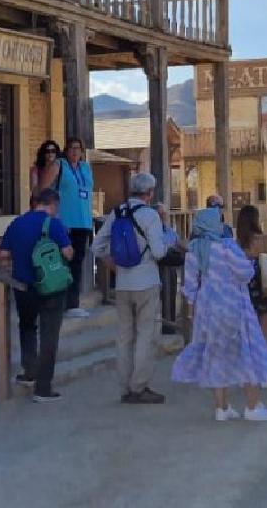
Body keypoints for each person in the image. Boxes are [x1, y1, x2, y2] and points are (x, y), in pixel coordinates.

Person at [172, 207, 267, 422]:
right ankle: (252, 405)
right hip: (233, 304)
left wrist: (192, 314)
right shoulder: (226, 246)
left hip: (207, 308)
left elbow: (190, 286)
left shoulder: (194, 250)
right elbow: (245, 273)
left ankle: (221, 408)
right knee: (247, 351)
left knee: (216, 355)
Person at [92, 172, 168, 404]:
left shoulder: (117, 212)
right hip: (146, 281)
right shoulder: (150, 215)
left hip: (123, 283)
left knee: (124, 336)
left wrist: (112, 264)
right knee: (146, 334)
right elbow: (159, 252)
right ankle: (139, 386)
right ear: (150, 192)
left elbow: (97, 246)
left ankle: (125, 386)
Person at [0, 188, 73, 402]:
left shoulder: (17, 223)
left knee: (27, 326)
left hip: (23, 286)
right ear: (53, 204)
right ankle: (43, 387)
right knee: (49, 335)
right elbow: (68, 252)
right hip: (51, 288)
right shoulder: (53, 224)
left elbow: (3, 255)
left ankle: (29, 370)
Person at [56, 137, 95, 319]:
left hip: (84, 221)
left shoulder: (86, 167)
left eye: (78, 148)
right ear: (66, 150)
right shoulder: (60, 165)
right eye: (71, 148)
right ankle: (59, 302)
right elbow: (45, 187)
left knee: (77, 263)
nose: (75, 152)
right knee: (64, 262)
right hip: (66, 222)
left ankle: (73, 304)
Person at [236, 204, 267, 341]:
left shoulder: (238, 243)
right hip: (264, 281)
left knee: (247, 322)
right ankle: (263, 352)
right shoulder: (265, 239)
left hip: (245, 283)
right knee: (266, 319)